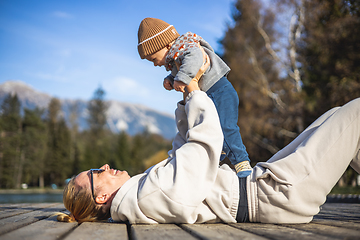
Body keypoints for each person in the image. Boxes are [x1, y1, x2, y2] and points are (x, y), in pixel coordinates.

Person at [57, 59, 360, 224]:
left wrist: (185, 98)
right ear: (100, 198)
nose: (104, 166)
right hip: (275, 194)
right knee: (355, 114)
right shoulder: (147, 195)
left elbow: (181, 153)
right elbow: (204, 149)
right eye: (96, 173)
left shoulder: (140, 194)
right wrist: (196, 92)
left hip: (262, 188)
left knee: (337, 115)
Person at [137, 17, 252, 178]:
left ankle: (242, 164)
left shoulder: (186, 47)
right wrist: (170, 80)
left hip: (220, 92)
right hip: (211, 94)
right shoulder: (177, 57)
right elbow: (185, 68)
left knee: (227, 129)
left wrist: (181, 78)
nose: (155, 64)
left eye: (153, 59)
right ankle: (215, 154)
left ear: (166, 45)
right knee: (211, 128)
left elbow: (195, 59)